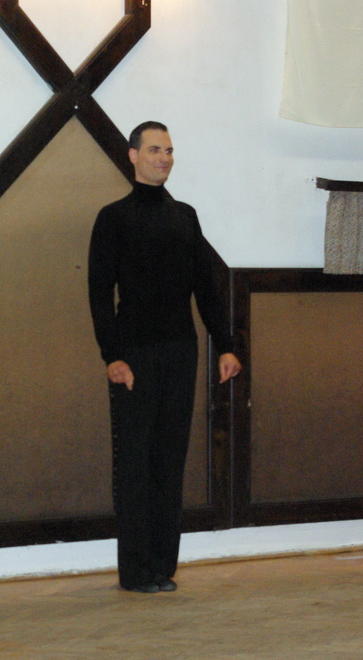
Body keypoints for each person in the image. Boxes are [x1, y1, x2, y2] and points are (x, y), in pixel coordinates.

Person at [87, 122, 242, 594]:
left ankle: (162, 566)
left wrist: (226, 343)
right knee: (135, 461)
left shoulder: (186, 217)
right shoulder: (113, 218)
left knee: (170, 460)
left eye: (169, 150)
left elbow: (206, 287)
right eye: (154, 149)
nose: (164, 158)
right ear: (132, 155)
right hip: (134, 354)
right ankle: (135, 571)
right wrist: (112, 356)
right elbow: (99, 293)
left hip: (180, 350)